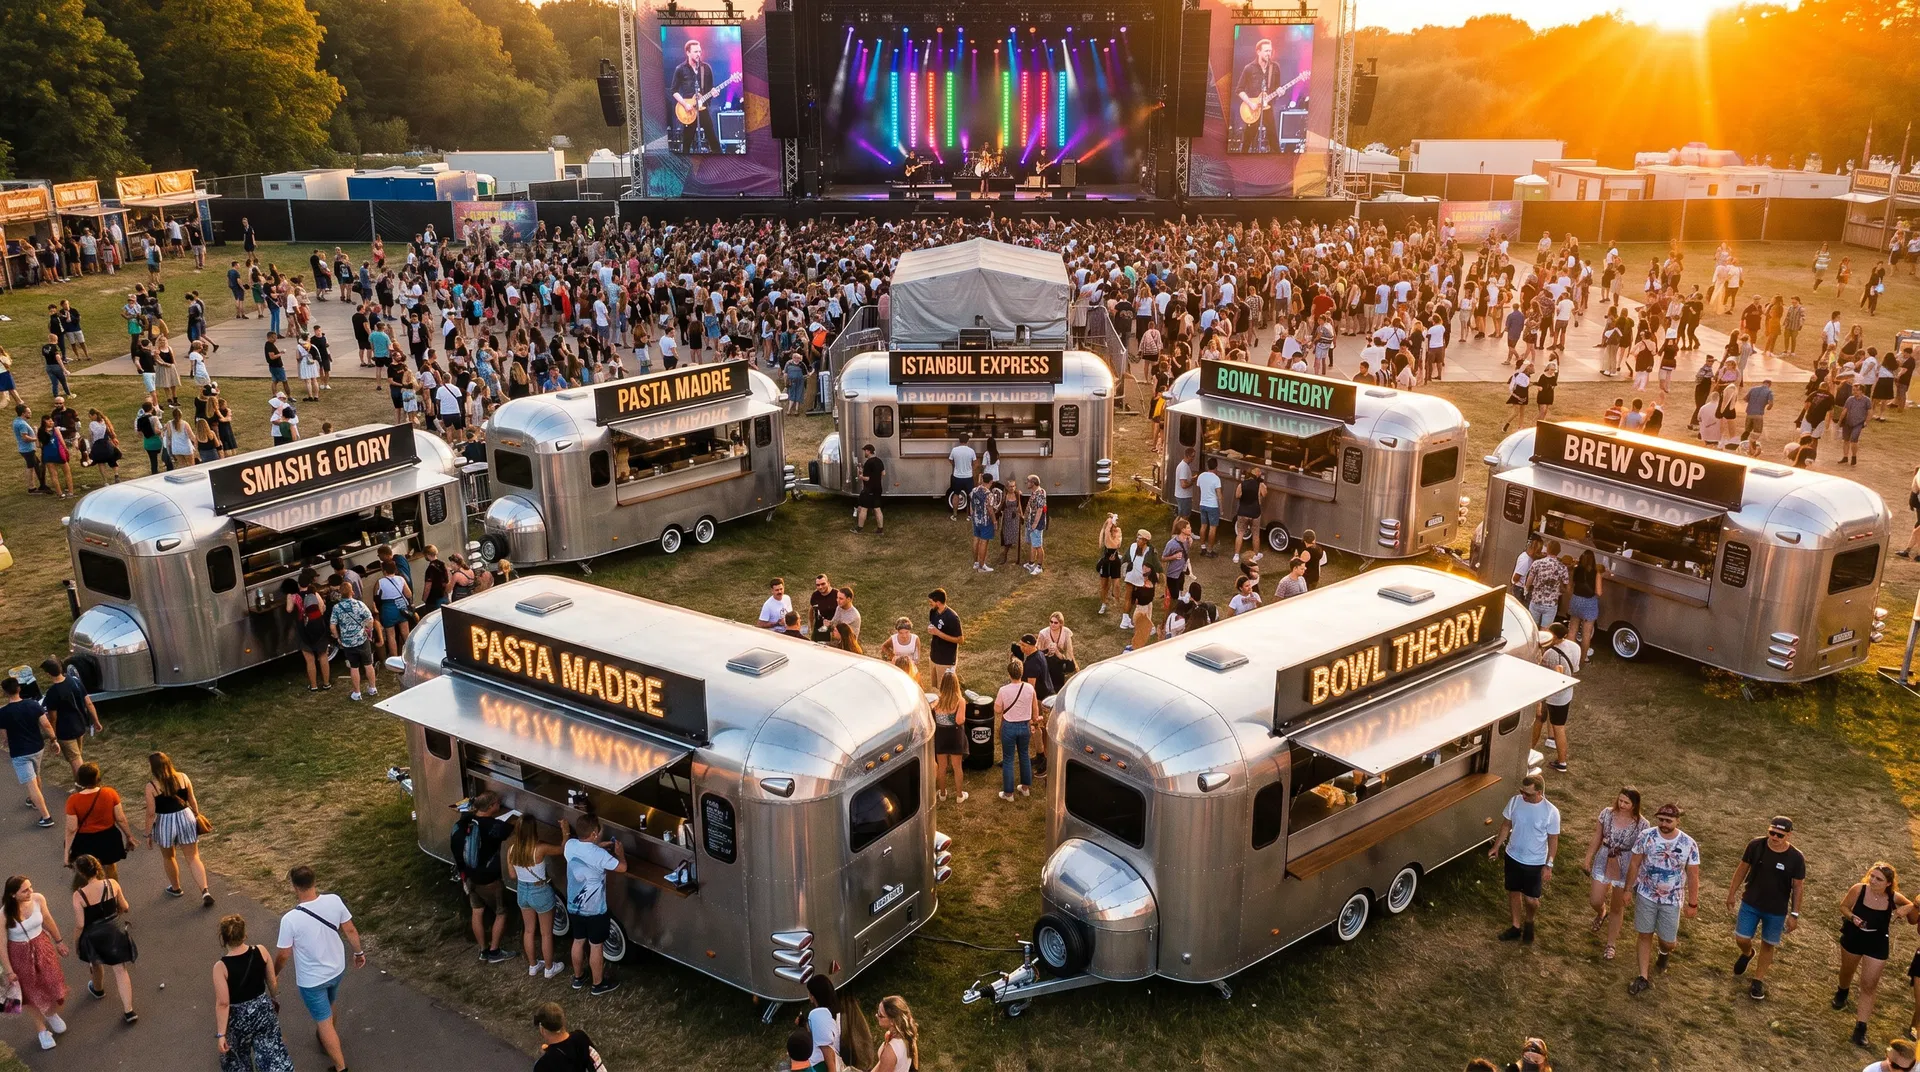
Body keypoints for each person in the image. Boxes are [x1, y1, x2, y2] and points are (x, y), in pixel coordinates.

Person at [275, 866, 364, 1071]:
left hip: (312, 980)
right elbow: (350, 930)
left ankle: (340, 1067)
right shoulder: (334, 901)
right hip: (336, 969)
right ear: (314, 882)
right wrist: (358, 953)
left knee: (323, 1022)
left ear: (295, 887)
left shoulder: (290, 919)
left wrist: (274, 973)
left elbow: (283, 954)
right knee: (330, 1002)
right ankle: (327, 1038)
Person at [1723, 815, 1809, 1003]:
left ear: (1789, 835)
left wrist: (1794, 914)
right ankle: (1747, 953)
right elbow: (1742, 869)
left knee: (1768, 944)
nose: (1774, 837)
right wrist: (1731, 893)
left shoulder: (1796, 858)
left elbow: (1798, 887)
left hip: (1776, 909)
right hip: (1751, 902)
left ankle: (1757, 981)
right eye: (1772, 832)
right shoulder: (1755, 845)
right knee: (1741, 938)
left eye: (1780, 835)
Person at [1623, 803, 1701, 996]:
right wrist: (1627, 889)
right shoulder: (1646, 836)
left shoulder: (1688, 843)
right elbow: (1634, 864)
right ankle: (1643, 977)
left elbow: (1693, 875)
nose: (1664, 824)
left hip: (1672, 900)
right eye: (1661, 820)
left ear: (1677, 821)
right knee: (1645, 934)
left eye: (1668, 821)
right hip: (1646, 894)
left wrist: (1692, 903)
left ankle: (1664, 952)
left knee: (1668, 942)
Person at [1835, 863, 1916, 1047]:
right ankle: (1842, 992)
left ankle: (1860, 1029)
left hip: (1877, 943)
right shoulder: (1859, 889)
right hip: (1853, 937)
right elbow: (1844, 907)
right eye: (1872, 876)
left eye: (1879, 879)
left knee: (1869, 985)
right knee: (1847, 971)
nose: (1873, 881)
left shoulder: (1893, 897)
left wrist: (1907, 907)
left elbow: (1913, 904)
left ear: (1888, 883)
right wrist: (1852, 917)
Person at [212, 914, 294, 1072]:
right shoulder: (261, 951)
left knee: (237, 1060)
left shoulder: (220, 967)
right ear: (244, 934)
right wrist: (274, 998)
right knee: (271, 1055)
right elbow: (272, 983)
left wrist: (221, 1034)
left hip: (238, 1019)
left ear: (223, 938)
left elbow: (223, 1003)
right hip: (263, 1010)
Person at [2, 874, 71, 1050]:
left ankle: (50, 1013)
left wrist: (59, 941)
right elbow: (1, 944)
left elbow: (47, 919)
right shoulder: (4, 914)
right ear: (13, 894)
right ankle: (42, 1031)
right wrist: (9, 970)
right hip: (19, 955)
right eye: (25, 890)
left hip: (42, 948)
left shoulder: (38, 899)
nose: (30, 892)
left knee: (52, 983)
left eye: (30, 887)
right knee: (31, 994)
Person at [1490, 774, 1560, 945]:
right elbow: (1506, 825)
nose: (1523, 796)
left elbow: (1553, 839)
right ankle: (1515, 926)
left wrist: (1549, 864)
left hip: (1534, 862)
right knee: (1513, 892)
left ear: (1539, 793)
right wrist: (1496, 846)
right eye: (1522, 791)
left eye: (1527, 793)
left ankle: (1529, 920)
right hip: (1513, 856)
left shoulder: (1551, 812)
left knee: (1531, 900)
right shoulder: (1515, 802)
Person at [563, 812, 628, 995]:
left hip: (573, 906)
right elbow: (622, 868)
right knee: (596, 946)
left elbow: (584, 851)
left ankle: (578, 978)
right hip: (595, 911)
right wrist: (620, 854)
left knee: (578, 941)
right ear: (593, 833)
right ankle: (598, 984)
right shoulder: (600, 855)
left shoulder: (570, 845)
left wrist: (598, 845)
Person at [451, 790, 517, 964]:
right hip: (489, 880)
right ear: (490, 807)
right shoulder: (493, 826)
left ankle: (483, 950)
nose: (499, 804)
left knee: (477, 911)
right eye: (497, 803)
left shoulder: (467, 822)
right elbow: (513, 828)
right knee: (501, 912)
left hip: (469, 877)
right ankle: (495, 951)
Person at [1581, 788, 1646, 962]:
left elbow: (1641, 853)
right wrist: (1588, 858)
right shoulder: (1606, 814)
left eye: (1626, 802)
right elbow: (1597, 836)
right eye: (1620, 800)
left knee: (1617, 907)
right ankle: (1601, 912)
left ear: (1635, 805)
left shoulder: (1642, 824)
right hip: (1604, 858)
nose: (1622, 805)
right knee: (1595, 899)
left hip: (1625, 864)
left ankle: (1611, 944)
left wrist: (1636, 876)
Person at [70, 853, 137, 1023]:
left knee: (96, 963)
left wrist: (76, 942)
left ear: (80, 873)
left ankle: (98, 989)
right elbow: (125, 906)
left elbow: (80, 924)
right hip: (114, 930)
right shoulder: (112, 883)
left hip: (94, 935)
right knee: (120, 970)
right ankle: (129, 1011)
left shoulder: (79, 895)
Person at [146, 751, 214, 906]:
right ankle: (205, 891)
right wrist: (196, 814)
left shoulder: (151, 786)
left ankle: (176, 888)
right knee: (193, 857)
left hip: (165, 821)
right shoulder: (183, 777)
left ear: (154, 768)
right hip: (185, 816)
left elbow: (150, 813)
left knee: (169, 857)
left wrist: (148, 834)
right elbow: (192, 799)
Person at [506, 818, 567, 979]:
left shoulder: (511, 849)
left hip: (522, 891)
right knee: (546, 933)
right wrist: (565, 831)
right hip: (540, 890)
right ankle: (549, 968)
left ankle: (533, 966)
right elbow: (563, 849)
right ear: (533, 831)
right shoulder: (540, 848)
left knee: (528, 930)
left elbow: (512, 875)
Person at [63, 762, 135, 879]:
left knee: (88, 872)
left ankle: (94, 889)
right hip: (108, 837)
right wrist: (129, 836)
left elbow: (72, 829)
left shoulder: (73, 800)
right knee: (110, 867)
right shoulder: (110, 793)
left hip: (85, 841)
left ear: (80, 780)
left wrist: (66, 852)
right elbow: (120, 819)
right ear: (97, 778)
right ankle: (112, 888)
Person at [1, 676, 56, 827]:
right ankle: (33, 800)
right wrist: (53, 739)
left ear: (4, 692)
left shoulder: (3, 712)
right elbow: (46, 724)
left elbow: (4, 737)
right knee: (36, 775)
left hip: (20, 753)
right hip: (37, 748)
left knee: (31, 784)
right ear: (19, 689)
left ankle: (46, 817)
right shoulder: (33, 704)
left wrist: (5, 742)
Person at [40, 657, 100, 780]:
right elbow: (88, 703)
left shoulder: (52, 693)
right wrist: (96, 721)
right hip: (80, 725)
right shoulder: (75, 681)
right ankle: (80, 784)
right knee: (78, 756)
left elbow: (53, 718)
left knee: (76, 760)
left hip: (65, 732)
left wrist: (53, 738)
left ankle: (84, 785)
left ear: (48, 674)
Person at [1532, 624, 1580, 772]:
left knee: (1540, 720)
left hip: (1551, 695)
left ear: (1555, 637)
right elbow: (1576, 668)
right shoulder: (1574, 647)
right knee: (1558, 725)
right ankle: (1554, 747)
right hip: (1566, 692)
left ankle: (1532, 753)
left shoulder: (1550, 654)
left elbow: (1541, 675)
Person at [328, 577, 381, 701]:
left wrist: (337, 637)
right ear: (352, 592)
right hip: (362, 639)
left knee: (354, 667)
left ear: (341, 593)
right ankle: (372, 688)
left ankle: (357, 693)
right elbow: (370, 621)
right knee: (368, 664)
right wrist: (368, 630)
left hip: (347, 642)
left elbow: (332, 626)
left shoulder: (337, 608)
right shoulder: (359, 604)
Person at [995, 658, 1035, 802]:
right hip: (1025, 726)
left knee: (1008, 759)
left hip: (1009, 727)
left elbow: (997, 709)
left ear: (1009, 674)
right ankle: (1025, 788)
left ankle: (1009, 793)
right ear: (1022, 673)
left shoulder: (1003, 690)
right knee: (1024, 755)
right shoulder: (1029, 688)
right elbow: (1034, 707)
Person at [285, 567, 332, 692]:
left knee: (310, 659)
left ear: (298, 584)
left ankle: (314, 686)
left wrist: (289, 596)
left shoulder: (294, 596)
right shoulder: (314, 593)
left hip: (304, 629)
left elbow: (289, 609)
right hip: (318, 627)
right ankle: (326, 683)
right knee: (323, 655)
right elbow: (322, 608)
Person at [533, 1001, 607, 1072]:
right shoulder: (580, 1037)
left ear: (542, 1029)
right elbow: (597, 1065)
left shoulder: (543, 1065)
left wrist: (547, 1056)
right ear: (563, 1021)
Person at [931, 672, 967, 805]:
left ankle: (942, 793)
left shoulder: (937, 701)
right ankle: (959, 795)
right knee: (957, 767)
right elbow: (959, 720)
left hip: (941, 736)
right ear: (956, 684)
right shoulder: (960, 701)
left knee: (942, 767)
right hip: (954, 736)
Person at [1524, 540, 1568, 627]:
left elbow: (1530, 580)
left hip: (1536, 600)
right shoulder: (1562, 567)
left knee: (1532, 626)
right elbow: (1565, 586)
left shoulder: (1537, 563)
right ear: (1558, 551)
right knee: (1545, 630)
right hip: (1551, 603)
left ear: (1547, 549)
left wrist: (1526, 589)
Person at [872, 995, 920, 1072]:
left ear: (892, 1021)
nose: (876, 1015)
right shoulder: (908, 1037)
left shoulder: (890, 1051)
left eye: (880, 1015)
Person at [1231, 465, 1266, 565]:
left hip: (1243, 512)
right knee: (1256, 535)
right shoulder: (1260, 484)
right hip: (1255, 512)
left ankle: (1236, 555)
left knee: (1240, 533)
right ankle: (1256, 555)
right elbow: (1264, 494)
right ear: (1257, 476)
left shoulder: (1241, 484)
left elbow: (1237, 495)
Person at [926, 589, 963, 681]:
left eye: (931, 602)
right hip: (934, 657)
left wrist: (938, 633)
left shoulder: (952, 617)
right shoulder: (933, 612)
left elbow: (960, 639)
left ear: (938, 603)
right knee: (934, 686)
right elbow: (934, 626)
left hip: (946, 660)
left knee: (944, 687)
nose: (930, 604)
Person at [1096, 513, 1124, 615]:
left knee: (1116, 585)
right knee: (1104, 585)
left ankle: (1117, 601)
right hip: (1106, 560)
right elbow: (1107, 537)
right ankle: (1104, 603)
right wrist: (1109, 521)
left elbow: (1116, 544)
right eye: (1112, 525)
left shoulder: (1118, 531)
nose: (1114, 526)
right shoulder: (1107, 532)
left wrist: (1113, 520)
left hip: (1115, 560)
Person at [1194, 457, 1224, 556]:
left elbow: (1199, 490)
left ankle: (1202, 547)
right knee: (1212, 528)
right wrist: (1221, 509)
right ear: (1216, 467)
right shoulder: (1216, 479)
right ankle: (1210, 550)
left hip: (1203, 504)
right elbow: (1219, 495)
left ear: (1208, 466)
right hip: (1213, 505)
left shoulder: (1201, 476)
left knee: (1203, 526)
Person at [855, 444, 885, 535]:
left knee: (864, 508)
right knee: (877, 508)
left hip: (869, 489)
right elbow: (883, 473)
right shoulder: (879, 461)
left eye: (865, 451)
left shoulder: (868, 463)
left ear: (868, 451)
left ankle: (859, 529)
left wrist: (860, 477)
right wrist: (876, 478)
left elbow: (867, 478)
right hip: (878, 488)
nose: (864, 453)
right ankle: (880, 530)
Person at [946, 434, 977, 515]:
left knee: (956, 494)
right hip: (968, 476)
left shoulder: (954, 450)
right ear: (967, 441)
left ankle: (955, 514)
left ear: (959, 441)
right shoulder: (971, 451)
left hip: (957, 476)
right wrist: (971, 469)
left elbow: (950, 459)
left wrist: (955, 465)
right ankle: (970, 514)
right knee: (971, 495)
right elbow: (975, 463)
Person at [1024, 474, 1048, 574]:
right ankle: (1031, 563)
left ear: (1033, 483)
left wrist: (1035, 524)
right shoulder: (1034, 492)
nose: (1026, 483)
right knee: (1033, 543)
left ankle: (1039, 567)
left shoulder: (1040, 494)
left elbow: (1040, 509)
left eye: (1028, 481)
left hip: (1036, 524)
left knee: (1038, 545)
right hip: (1030, 522)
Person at [831, 586, 863, 653]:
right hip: (839, 642)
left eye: (841, 598)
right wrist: (829, 623)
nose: (837, 600)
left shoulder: (854, 616)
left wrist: (831, 626)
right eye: (837, 598)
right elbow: (834, 623)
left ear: (849, 599)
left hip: (848, 647)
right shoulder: (839, 608)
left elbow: (841, 632)